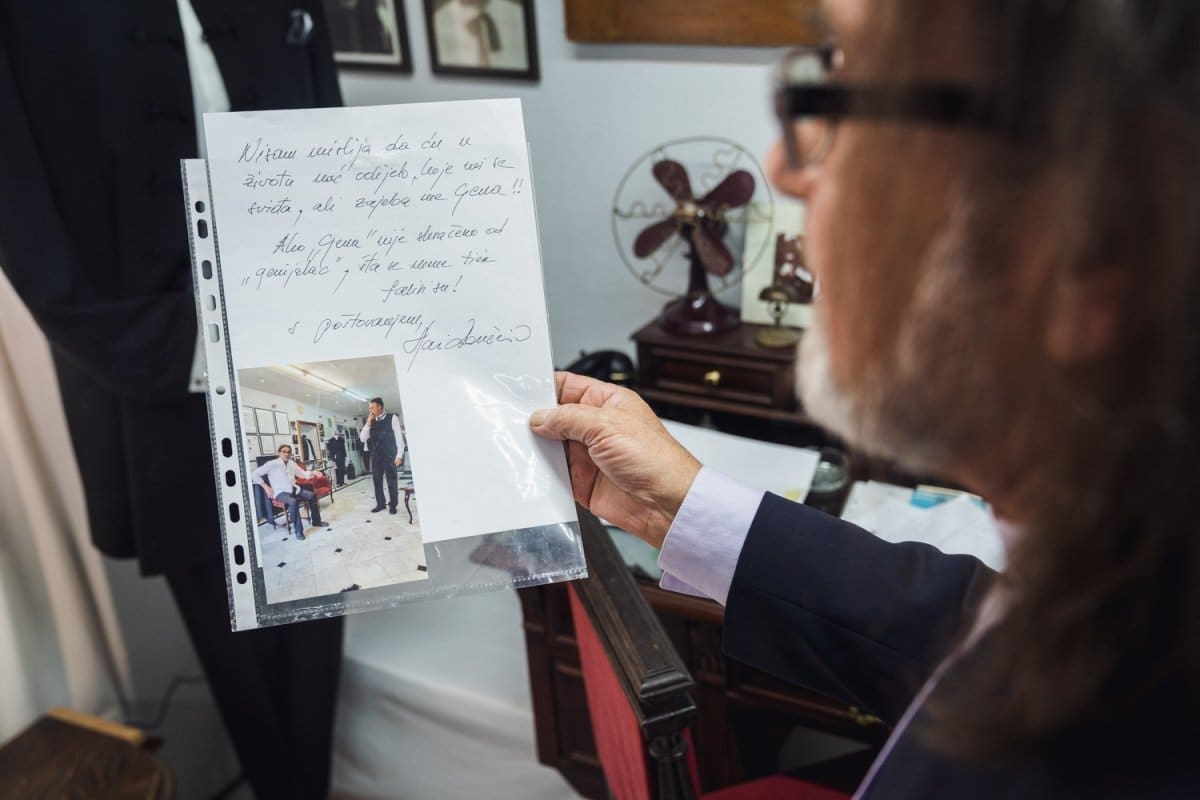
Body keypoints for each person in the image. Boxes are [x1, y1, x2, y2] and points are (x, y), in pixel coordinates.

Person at [530, 0, 1200, 796]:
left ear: (1092, 239)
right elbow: (968, 623)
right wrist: (677, 506)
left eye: (853, 101)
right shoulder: (1129, 595)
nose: (784, 169)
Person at [0, 3, 345, 797]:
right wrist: (151, 346)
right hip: (149, 353)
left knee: (328, 574)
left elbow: (321, 104)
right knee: (233, 634)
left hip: (304, 313)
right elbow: (15, 195)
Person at [253, 445, 330, 541]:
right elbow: (254, 474)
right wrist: (267, 488)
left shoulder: (292, 463)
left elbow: (303, 474)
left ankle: (316, 521)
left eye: (289, 452)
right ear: (279, 453)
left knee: (312, 495)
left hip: (294, 489)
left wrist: (313, 472)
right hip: (281, 492)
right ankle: (298, 531)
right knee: (293, 502)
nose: (286, 454)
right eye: (284, 451)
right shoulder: (272, 464)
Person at [360, 397, 404, 514]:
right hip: (376, 456)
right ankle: (380, 504)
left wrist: (399, 455)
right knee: (377, 481)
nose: (370, 410)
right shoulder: (370, 421)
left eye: (372, 407)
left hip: (390, 455)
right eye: (369, 408)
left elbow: (399, 437)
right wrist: (368, 423)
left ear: (380, 407)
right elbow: (362, 438)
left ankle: (393, 505)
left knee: (392, 481)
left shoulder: (392, 418)